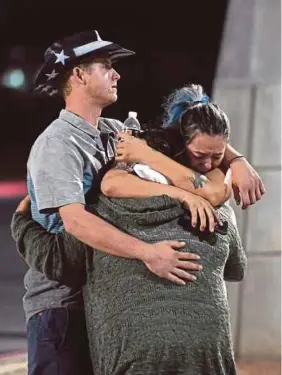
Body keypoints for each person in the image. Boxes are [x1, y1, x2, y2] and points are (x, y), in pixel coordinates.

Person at [20, 29, 238, 375]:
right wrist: (148, 253)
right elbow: (75, 222)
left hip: (102, 303)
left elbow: (189, 135)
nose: (116, 74)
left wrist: (236, 161)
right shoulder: (57, 144)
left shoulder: (113, 131)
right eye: (106, 66)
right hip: (63, 307)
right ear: (77, 75)